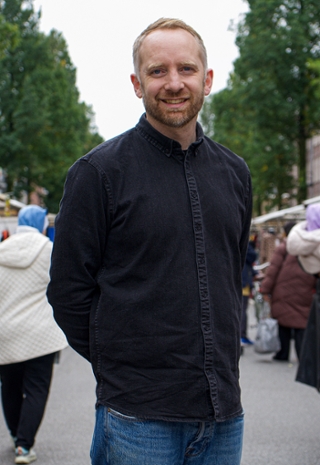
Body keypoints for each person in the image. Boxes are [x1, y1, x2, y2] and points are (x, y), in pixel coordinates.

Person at [47, 18, 252, 465]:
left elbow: (228, 273)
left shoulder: (235, 173)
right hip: (138, 419)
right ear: (137, 84)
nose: (174, 83)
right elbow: (67, 292)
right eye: (158, 71)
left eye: (187, 69)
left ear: (208, 79)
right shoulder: (97, 174)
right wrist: (125, 366)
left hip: (223, 416)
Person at [0, 205, 68, 464]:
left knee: (9, 388)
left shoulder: (2, 251)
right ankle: (24, 446)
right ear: (41, 223)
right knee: (37, 389)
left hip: (5, 333)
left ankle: (17, 435)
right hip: (39, 334)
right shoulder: (49, 251)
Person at [260, 221, 316, 361]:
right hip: (306, 289)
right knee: (301, 322)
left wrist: (265, 289)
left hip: (283, 290)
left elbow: (273, 270)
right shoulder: (311, 246)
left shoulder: (284, 247)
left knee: (283, 321)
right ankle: (302, 354)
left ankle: (282, 353)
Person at [241, 239, 257, 346]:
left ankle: (242, 335)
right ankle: (241, 336)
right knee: (242, 310)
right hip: (242, 283)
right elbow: (252, 256)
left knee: (241, 309)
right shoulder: (243, 243)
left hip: (241, 281)